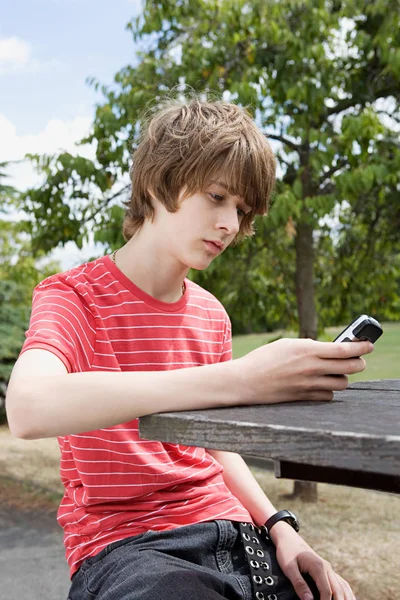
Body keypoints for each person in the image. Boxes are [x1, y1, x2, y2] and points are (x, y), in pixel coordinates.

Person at [6, 97, 372, 600]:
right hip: (129, 549)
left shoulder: (210, 313)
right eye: (217, 196)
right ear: (158, 184)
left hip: (236, 534)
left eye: (242, 211)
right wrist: (239, 380)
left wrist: (282, 528)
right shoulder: (73, 297)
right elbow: (27, 407)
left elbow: (213, 445)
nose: (230, 224)